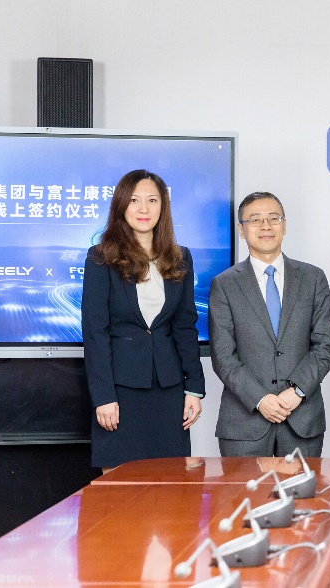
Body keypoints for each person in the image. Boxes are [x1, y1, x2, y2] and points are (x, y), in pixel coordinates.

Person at [82, 169, 205, 469]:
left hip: (168, 389)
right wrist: (103, 396)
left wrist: (194, 388)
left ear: (163, 206)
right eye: (135, 200)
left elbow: (185, 326)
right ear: (122, 205)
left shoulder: (180, 257)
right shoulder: (100, 257)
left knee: (170, 483)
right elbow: (95, 332)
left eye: (152, 200)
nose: (143, 208)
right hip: (120, 390)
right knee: (118, 483)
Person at [209, 192, 330, 457]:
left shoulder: (313, 278)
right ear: (242, 230)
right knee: (243, 487)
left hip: (302, 420)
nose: (265, 226)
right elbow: (223, 356)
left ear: (284, 225)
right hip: (244, 424)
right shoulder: (224, 284)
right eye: (255, 219)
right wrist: (260, 398)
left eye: (273, 218)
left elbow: (323, 347)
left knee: (301, 487)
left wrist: (296, 392)